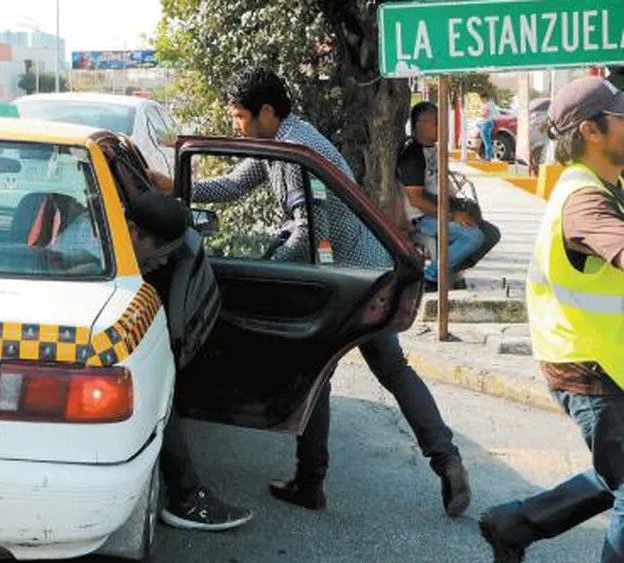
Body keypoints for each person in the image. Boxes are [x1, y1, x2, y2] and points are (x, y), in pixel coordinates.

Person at [149, 67, 471, 517]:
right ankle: (443, 462)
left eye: (239, 117)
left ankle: (312, 480)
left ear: (265, 112)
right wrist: (177, 188)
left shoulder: (297, 150)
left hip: (349, 279)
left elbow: (305, 232)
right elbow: (235, 184)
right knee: (373, 372)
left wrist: (266, 268)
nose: (236, 127)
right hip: (356, 274)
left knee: (327, 373)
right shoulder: (279, 143)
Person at [479, 77, 624, 563]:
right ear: (591, 129)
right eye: (622, 115)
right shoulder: (586, 201)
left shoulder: (605, 184)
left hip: (601, 360)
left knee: (616, 475)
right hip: (588, 368)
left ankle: (513, 525)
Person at [54, 189, 254, 531]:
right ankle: (187, 497)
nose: (161, 263)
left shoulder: (98, 233)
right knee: (158, 380)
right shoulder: (89, 265)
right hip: (69, 355)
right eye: (159, 253)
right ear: (131, 232)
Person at [397, 101, 500, 289]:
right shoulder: (412, 155)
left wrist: (460, 206)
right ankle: (431, 277)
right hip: (422, 219)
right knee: (473, 237)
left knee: (491, 233)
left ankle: (450, 269)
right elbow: (416, 199)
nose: (442, 127)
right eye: (436, 123)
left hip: (443, 210)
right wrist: (453, 215)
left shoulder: (434, 150)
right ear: (419, 124)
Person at [478, 92, 499, 161]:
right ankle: (487, 156)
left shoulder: (488, 105)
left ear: (485, 98)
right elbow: (495, 114)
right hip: (488, 123)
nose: (481, 100)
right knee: (487, 141)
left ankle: (488, 157)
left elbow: (485, 114)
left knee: (487, 141)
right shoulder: (491, 104)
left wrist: (481, 113)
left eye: (482, 99)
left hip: (486, 123)